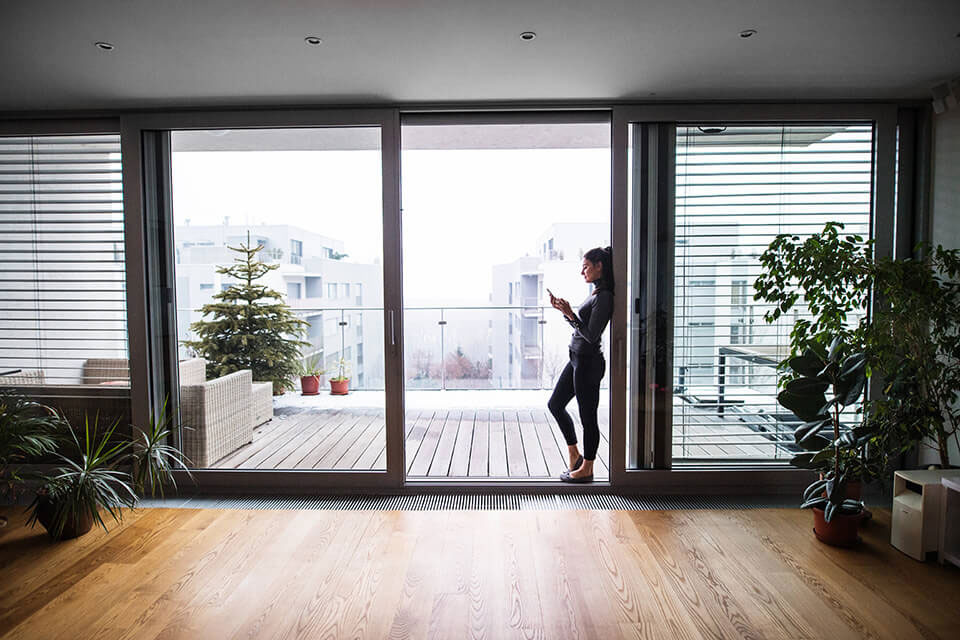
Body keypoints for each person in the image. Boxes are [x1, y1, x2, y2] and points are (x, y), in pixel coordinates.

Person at [547, 246, 614, 483]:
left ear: (599, 266)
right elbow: (583, 328)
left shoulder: (604, 296)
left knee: (588, 418)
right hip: (576, 359)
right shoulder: (595, 293)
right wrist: (566, 313)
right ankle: (574, 455)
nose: (582, 271)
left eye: (585, 266)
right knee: (555, 404)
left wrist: (570, 313)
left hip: (588, 363)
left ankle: (588, 468)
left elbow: (592, 335)